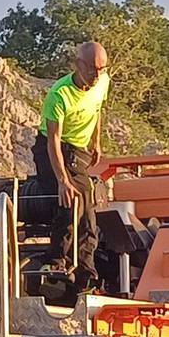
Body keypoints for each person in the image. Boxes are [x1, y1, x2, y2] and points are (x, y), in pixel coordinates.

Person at [32, 41, 109, 288]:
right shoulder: (59, 94)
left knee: (88, 202)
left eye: (102, 68)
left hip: (80, 149)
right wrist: (62, 180)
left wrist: (96, 142)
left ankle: (86, 270)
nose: (96, 74)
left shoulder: (102, 82)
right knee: (74, 196)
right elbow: (53, 139)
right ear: (78, 65)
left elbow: (97, 110)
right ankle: (56, 260)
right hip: (54, 147)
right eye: (92, 68)